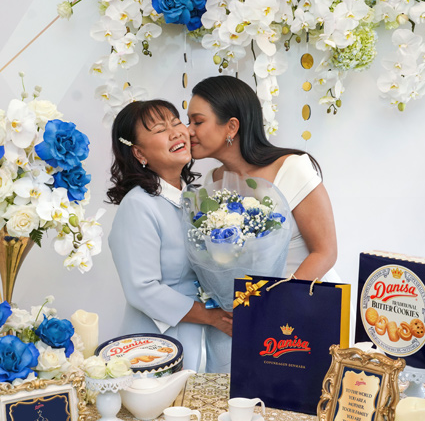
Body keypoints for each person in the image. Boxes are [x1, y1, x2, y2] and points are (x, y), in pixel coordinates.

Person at [107, 100, 232, 372]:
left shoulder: (198, 198)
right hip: (156, 347)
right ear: (139, 152)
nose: (176, 132)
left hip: (204, 337)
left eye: (176, 122)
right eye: (160, 129)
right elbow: (142, 289)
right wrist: (211, 317)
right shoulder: (138, 205)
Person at [187, 75, 339, 282]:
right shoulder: (212, 181)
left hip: (304, 295)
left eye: (198, 121)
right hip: (247, 298)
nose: (188, 130)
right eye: (188, 122)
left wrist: (277, 296)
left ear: (232, 127)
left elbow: (325, 253)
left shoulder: (291, 168)